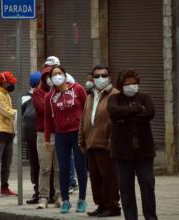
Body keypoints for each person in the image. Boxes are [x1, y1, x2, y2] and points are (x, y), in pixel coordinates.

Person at [107, 69, 158, 220]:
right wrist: (135, 110)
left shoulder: (144, 97)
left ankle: (151, 217)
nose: (131, 86)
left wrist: (125, 118)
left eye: (134, 83)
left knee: (147, 185)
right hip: (122, 153)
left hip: (144, 152)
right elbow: (113, 112)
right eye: (128, 84)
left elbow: (149, 113)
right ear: (121, 85)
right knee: (126, 188)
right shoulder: (114, 99)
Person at [44, 66, 88, 213]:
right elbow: (48, 119)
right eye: (54, 75)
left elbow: (87, 109)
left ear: (65, 75)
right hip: (61, 135)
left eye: (59, 73)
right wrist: (47, 138)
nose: (57, 76)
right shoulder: (49, 97)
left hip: (77, 133)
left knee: (80, 166)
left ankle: (82, 199)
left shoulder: (78, 89)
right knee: (63, 169)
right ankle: (65, 201)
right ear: (51, 79)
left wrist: (87, 131)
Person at [79, 65, 121, 217]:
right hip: (91, 143)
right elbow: (84, 119)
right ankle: (101, 205)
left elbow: (116, 121)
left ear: (109, 77)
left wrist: (112, 141)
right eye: (97, 76)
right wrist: (81, 139)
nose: (100, 78)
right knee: (96, 178)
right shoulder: (90, 96)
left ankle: (113, 206)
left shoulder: (115, 95)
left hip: (107, 144)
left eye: (104, 75)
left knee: (109, 178)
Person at [32, 67, 61, 209]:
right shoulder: (38, 92)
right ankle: (43, 197)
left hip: (60, 133)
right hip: (44, 135)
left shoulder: (63, 91)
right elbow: (45, 109)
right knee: (45, 168)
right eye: (48, 76)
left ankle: (59, 196)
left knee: (59, 168)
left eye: (54, 75)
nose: (51, 78)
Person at [22, 71, 41, 204]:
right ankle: (38, 191)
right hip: (32, 137)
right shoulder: (26, 98)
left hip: (39, 136)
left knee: (40, 165)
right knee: (36, 165)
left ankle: (44, 191)